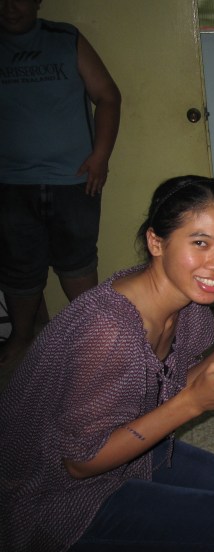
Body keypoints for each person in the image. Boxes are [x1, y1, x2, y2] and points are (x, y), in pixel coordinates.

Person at [0, 176, 214, 551]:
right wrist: (193, 404)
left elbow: (168, 387)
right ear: (156, 242)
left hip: (128, 447)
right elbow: (79, 463)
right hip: (53, 492)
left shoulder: (187, 305)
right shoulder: (109, 332)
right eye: (200, 243)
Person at [0, 0, 122, 367]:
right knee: (18, 267)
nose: (9, 6)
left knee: (77, 261)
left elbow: (108, 96)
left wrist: (100, 156)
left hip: (73, 180)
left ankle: (93, 336)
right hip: (10, 182)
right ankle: (23, 336)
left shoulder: (65, 38)